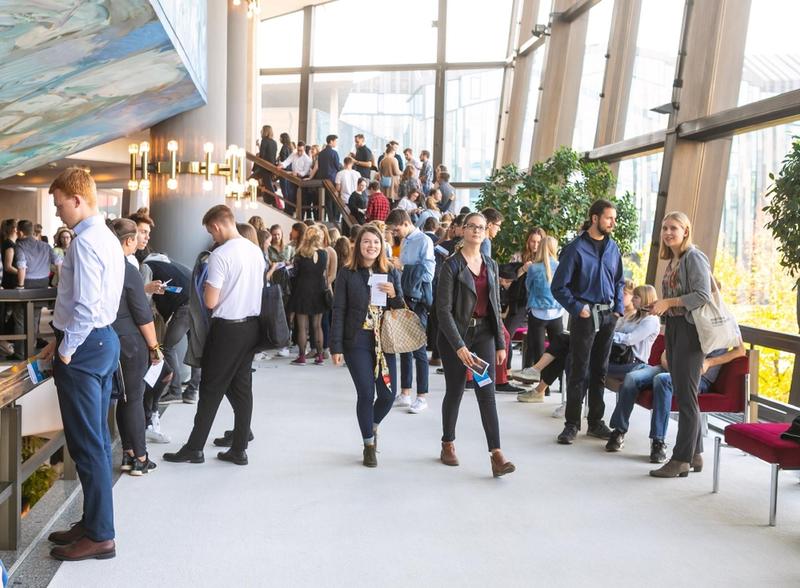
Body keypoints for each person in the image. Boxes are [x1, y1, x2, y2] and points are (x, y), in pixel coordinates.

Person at [42, 167, 124, 561]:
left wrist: (65, 349)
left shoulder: (85, 242)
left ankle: (101, 535)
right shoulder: (106, 237)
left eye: (59, 205)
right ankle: (92, 523)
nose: (58, 213)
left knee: (87, 444)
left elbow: (86, 306)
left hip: (85, 346)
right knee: (94, 442)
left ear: (77, 199)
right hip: (103, 341)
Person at [164, 205, 265, 467]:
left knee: (210, 389)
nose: (212, 237)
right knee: (242, 389)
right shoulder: (255, 251)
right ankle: (240, 449)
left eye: (211, 232)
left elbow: (210, 302)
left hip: (228, 328)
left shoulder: (220, 255)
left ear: (218, 226)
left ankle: (194, 448)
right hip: (252, 327)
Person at [435, 212, 515, 477]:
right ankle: (448, 443)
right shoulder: (452, 265)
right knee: (456, 389)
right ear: (463, 230)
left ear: (487, 231)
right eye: (472, 226)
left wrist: (501, 343)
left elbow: (493, 305)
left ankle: (496, 454)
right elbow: (443, 311)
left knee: (486, 390)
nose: (477, 231)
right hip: (456, 337)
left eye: (482, 227)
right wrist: (458, 346)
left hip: (483, 337)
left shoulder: (490, 265)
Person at [647, 211, 716, 478]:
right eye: (664, 228)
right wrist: (660, 307)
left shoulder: (694, 257)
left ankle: (680, 460)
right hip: (675, 328)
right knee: (685, 394)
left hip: (690, 331)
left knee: (686, 397)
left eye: (673, 228)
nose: (667, 232)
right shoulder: (674, 260)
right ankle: (695, 454)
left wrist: (670, 303)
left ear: (686, 231)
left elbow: (702, 295)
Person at [551, 199, 625, 445]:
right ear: (595, 218)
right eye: (608, 218)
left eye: (614, 218)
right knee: (578, 370)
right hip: (584, 316)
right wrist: (577, 308)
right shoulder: (575, 248)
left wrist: (618, 310)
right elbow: (558, 287)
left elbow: (619, 282)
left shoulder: (614, 248)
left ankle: (595, 422)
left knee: (600, 370)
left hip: (608, 316)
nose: (613, 223)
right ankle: (572, 424)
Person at [331, 225, 403, 467]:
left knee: (388, 395)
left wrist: (394, 295)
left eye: (376, 242)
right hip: (357, 341)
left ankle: (372, 425)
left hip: (385, 341)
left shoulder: (390, 271)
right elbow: (338, 310)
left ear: (382, 245)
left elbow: (401, 309)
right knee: (365, 393)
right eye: (366, 242)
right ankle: (368, 445)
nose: (371, 246)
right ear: (358, 245)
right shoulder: (347, 273)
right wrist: (336, 347)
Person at [109, 219, 160, 476]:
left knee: (124, 399)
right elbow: (142, 314)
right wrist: (154, 346)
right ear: (128, 241)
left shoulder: (102, 266)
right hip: (130, 341)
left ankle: (128, 454)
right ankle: (140, 457)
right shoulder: (126, 269)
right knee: (134, 399)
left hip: (108, 339)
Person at [386, 209, 435, 413]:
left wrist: (403, 268)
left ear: (405, 223)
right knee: (404, 346)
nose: (395, 233)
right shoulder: (405, 241)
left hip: (418, 299)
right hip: (404, 295)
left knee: (419, 349)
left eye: (396, 229)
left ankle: (421, 395)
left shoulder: (424, 241)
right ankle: (405, 392)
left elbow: (428, 274)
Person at [515, 236, 564, 400]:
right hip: (557, 313)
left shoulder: (534, 268)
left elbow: (528, 286)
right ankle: (555, 385)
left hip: (538, 313)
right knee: (557, 350)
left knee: (539, 351)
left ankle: (541, 390)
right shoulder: (560, 267)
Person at [13, 219, 62, 357]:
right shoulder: (44, 245)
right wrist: (61, 280)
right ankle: (32, 346)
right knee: (34, 317)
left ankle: (20, 352)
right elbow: (59, 262)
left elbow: (22, 266)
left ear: (20, 232)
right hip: (43, 284)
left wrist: (21, 286)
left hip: (28, 283)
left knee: (20, 318)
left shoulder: (20, 245)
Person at [289, 226, 329, 365]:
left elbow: (294, 273)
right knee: (317, 326)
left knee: (302, 327)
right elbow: (324, 274)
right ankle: (319, 356)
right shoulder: (324, 254)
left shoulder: (300, 253)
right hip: (318, 290)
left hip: (302, 291)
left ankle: (302, 356)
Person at [312, 134, 342, 221]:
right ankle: (333, 220)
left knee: (326, 201)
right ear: (331, 141)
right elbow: (337, 167)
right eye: (335, 141)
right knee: (333, 200)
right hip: (332, 180)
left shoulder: (320, 154)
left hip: (322, 180)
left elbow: (319, 166)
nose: (336, 143)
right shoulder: (334, 153)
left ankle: (327, 219)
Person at [279, 141, 313, 211]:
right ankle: (290, 211)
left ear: (304, 149)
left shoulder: (307, 159)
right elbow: (287, 161)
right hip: (293, 177)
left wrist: (296, 173)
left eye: (301, 150)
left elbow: (305, 172)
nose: (299, 152)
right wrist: (282, 165)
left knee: (301, 198)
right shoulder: (294, 154)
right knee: (290, 194)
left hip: (302, 179)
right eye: (298, 150)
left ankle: (298, 213)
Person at [252, 125, 278, 189]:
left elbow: (262, 155)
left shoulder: (264, 140)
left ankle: (273, 198)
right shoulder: (274, 142)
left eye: (262, 130)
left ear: (265, 131)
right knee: (267, 184)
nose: (261, 131)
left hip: (264, 166)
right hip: (271, 166)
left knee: (252, 180)